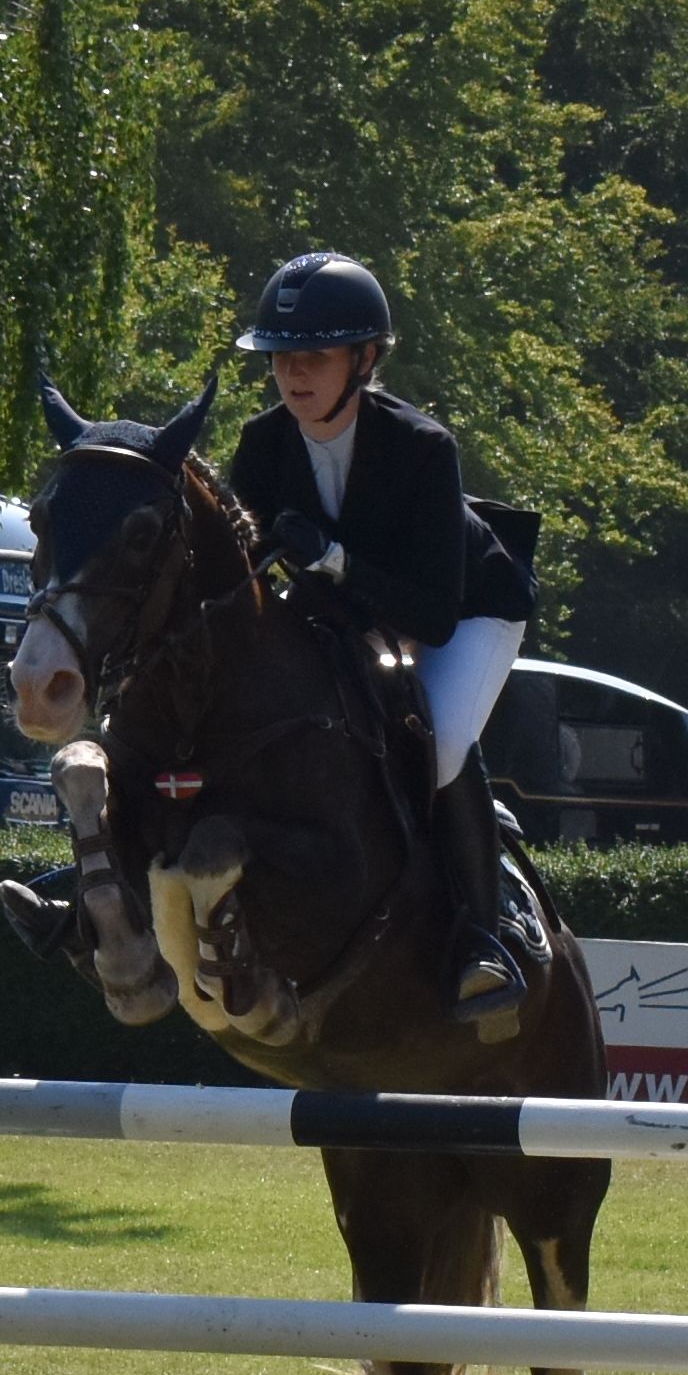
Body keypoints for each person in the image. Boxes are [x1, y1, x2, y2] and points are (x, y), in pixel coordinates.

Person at [226, 251, 538, 1023]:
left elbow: (429, 616)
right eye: (281, 358)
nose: (293, 374)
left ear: (363, 361)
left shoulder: (420, 447)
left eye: (314, 357)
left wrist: (331, 557)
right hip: (351, 614)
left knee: (435, 739)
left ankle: (484, 933)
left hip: (467, 613)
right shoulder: (261, 445)